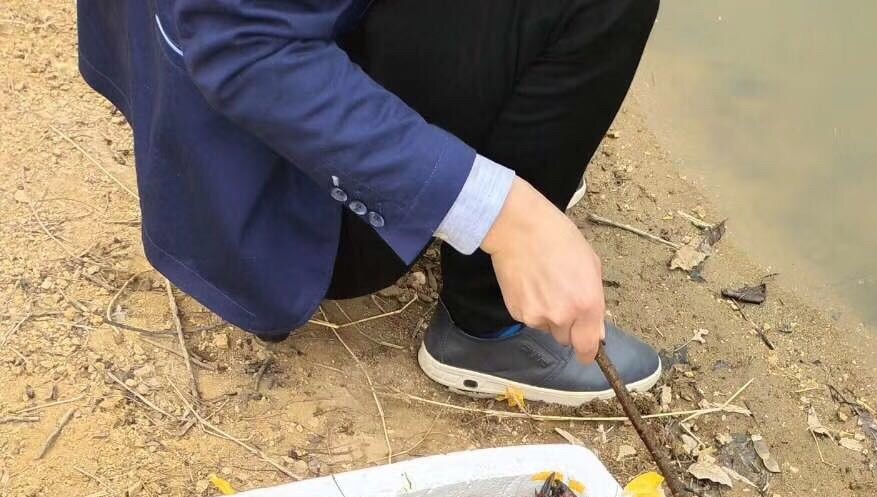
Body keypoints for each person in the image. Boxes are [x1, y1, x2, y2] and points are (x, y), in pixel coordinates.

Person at [76, 0, 663, 405]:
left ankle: (505, 151)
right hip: (260, 186)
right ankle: (488, 323)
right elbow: (246, 49)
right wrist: (509, 219)